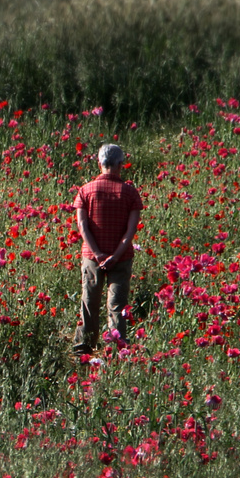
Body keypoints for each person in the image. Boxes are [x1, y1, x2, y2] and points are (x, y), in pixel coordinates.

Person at [72, 143, 143, 359]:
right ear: (121, 164)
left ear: (99, 163)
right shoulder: (130, 193)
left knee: (90, 301)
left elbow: (82, 226)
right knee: (118, 305)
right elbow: (131, 231)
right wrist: (115, 255)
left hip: (92, 257)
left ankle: (84, 347)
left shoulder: (85, 190)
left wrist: (98, 254)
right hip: (121, 259)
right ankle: (115, 349)